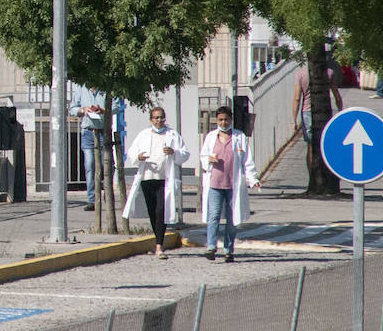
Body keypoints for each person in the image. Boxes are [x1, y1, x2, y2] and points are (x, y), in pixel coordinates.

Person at [122, 106, 189, 258]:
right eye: (156, 118)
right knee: (153, 211)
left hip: (164, 178)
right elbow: (132, 153)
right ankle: (157, 241)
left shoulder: (172, 135)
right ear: (151, 120)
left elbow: (184, 154)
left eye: (161, 117)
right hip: (147, 177)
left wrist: (174, 152)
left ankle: (159, 246)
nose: (159, 121)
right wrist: (138, 157)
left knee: (161, 210)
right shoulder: (143, 135)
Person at [200, 105, 261, 263]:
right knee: (213, 216)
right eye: (220, 119)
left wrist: (253, 179)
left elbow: (247, 160)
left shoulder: (239, 137)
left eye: (226, 119)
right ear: (216, 120)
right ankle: (211, 247)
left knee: (232, 219)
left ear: (231, 120)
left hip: (233, 185)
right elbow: (203, 156)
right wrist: (208, 160)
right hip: (215, 183)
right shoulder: (211, 137)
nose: (223, 122)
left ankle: (228, 249)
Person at [68, 85, 125, 211]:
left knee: (108, 165)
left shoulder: (106, 88)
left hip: (103, 131)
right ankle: (92, 199)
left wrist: (103, 110)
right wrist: (83, 110)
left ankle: (107, 193)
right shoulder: (81, 89)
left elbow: (116, 106)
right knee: (89, 165)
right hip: (88, 131)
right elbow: (72, 109)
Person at [291, 56, 343, 141]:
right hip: (324, 110)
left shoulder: (300, 74)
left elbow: (297, 99)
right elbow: (337, 96)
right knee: (324, 140)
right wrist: (340, 111)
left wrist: (294, 120)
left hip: (307, 111)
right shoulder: (329, 72)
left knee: (310, 143)